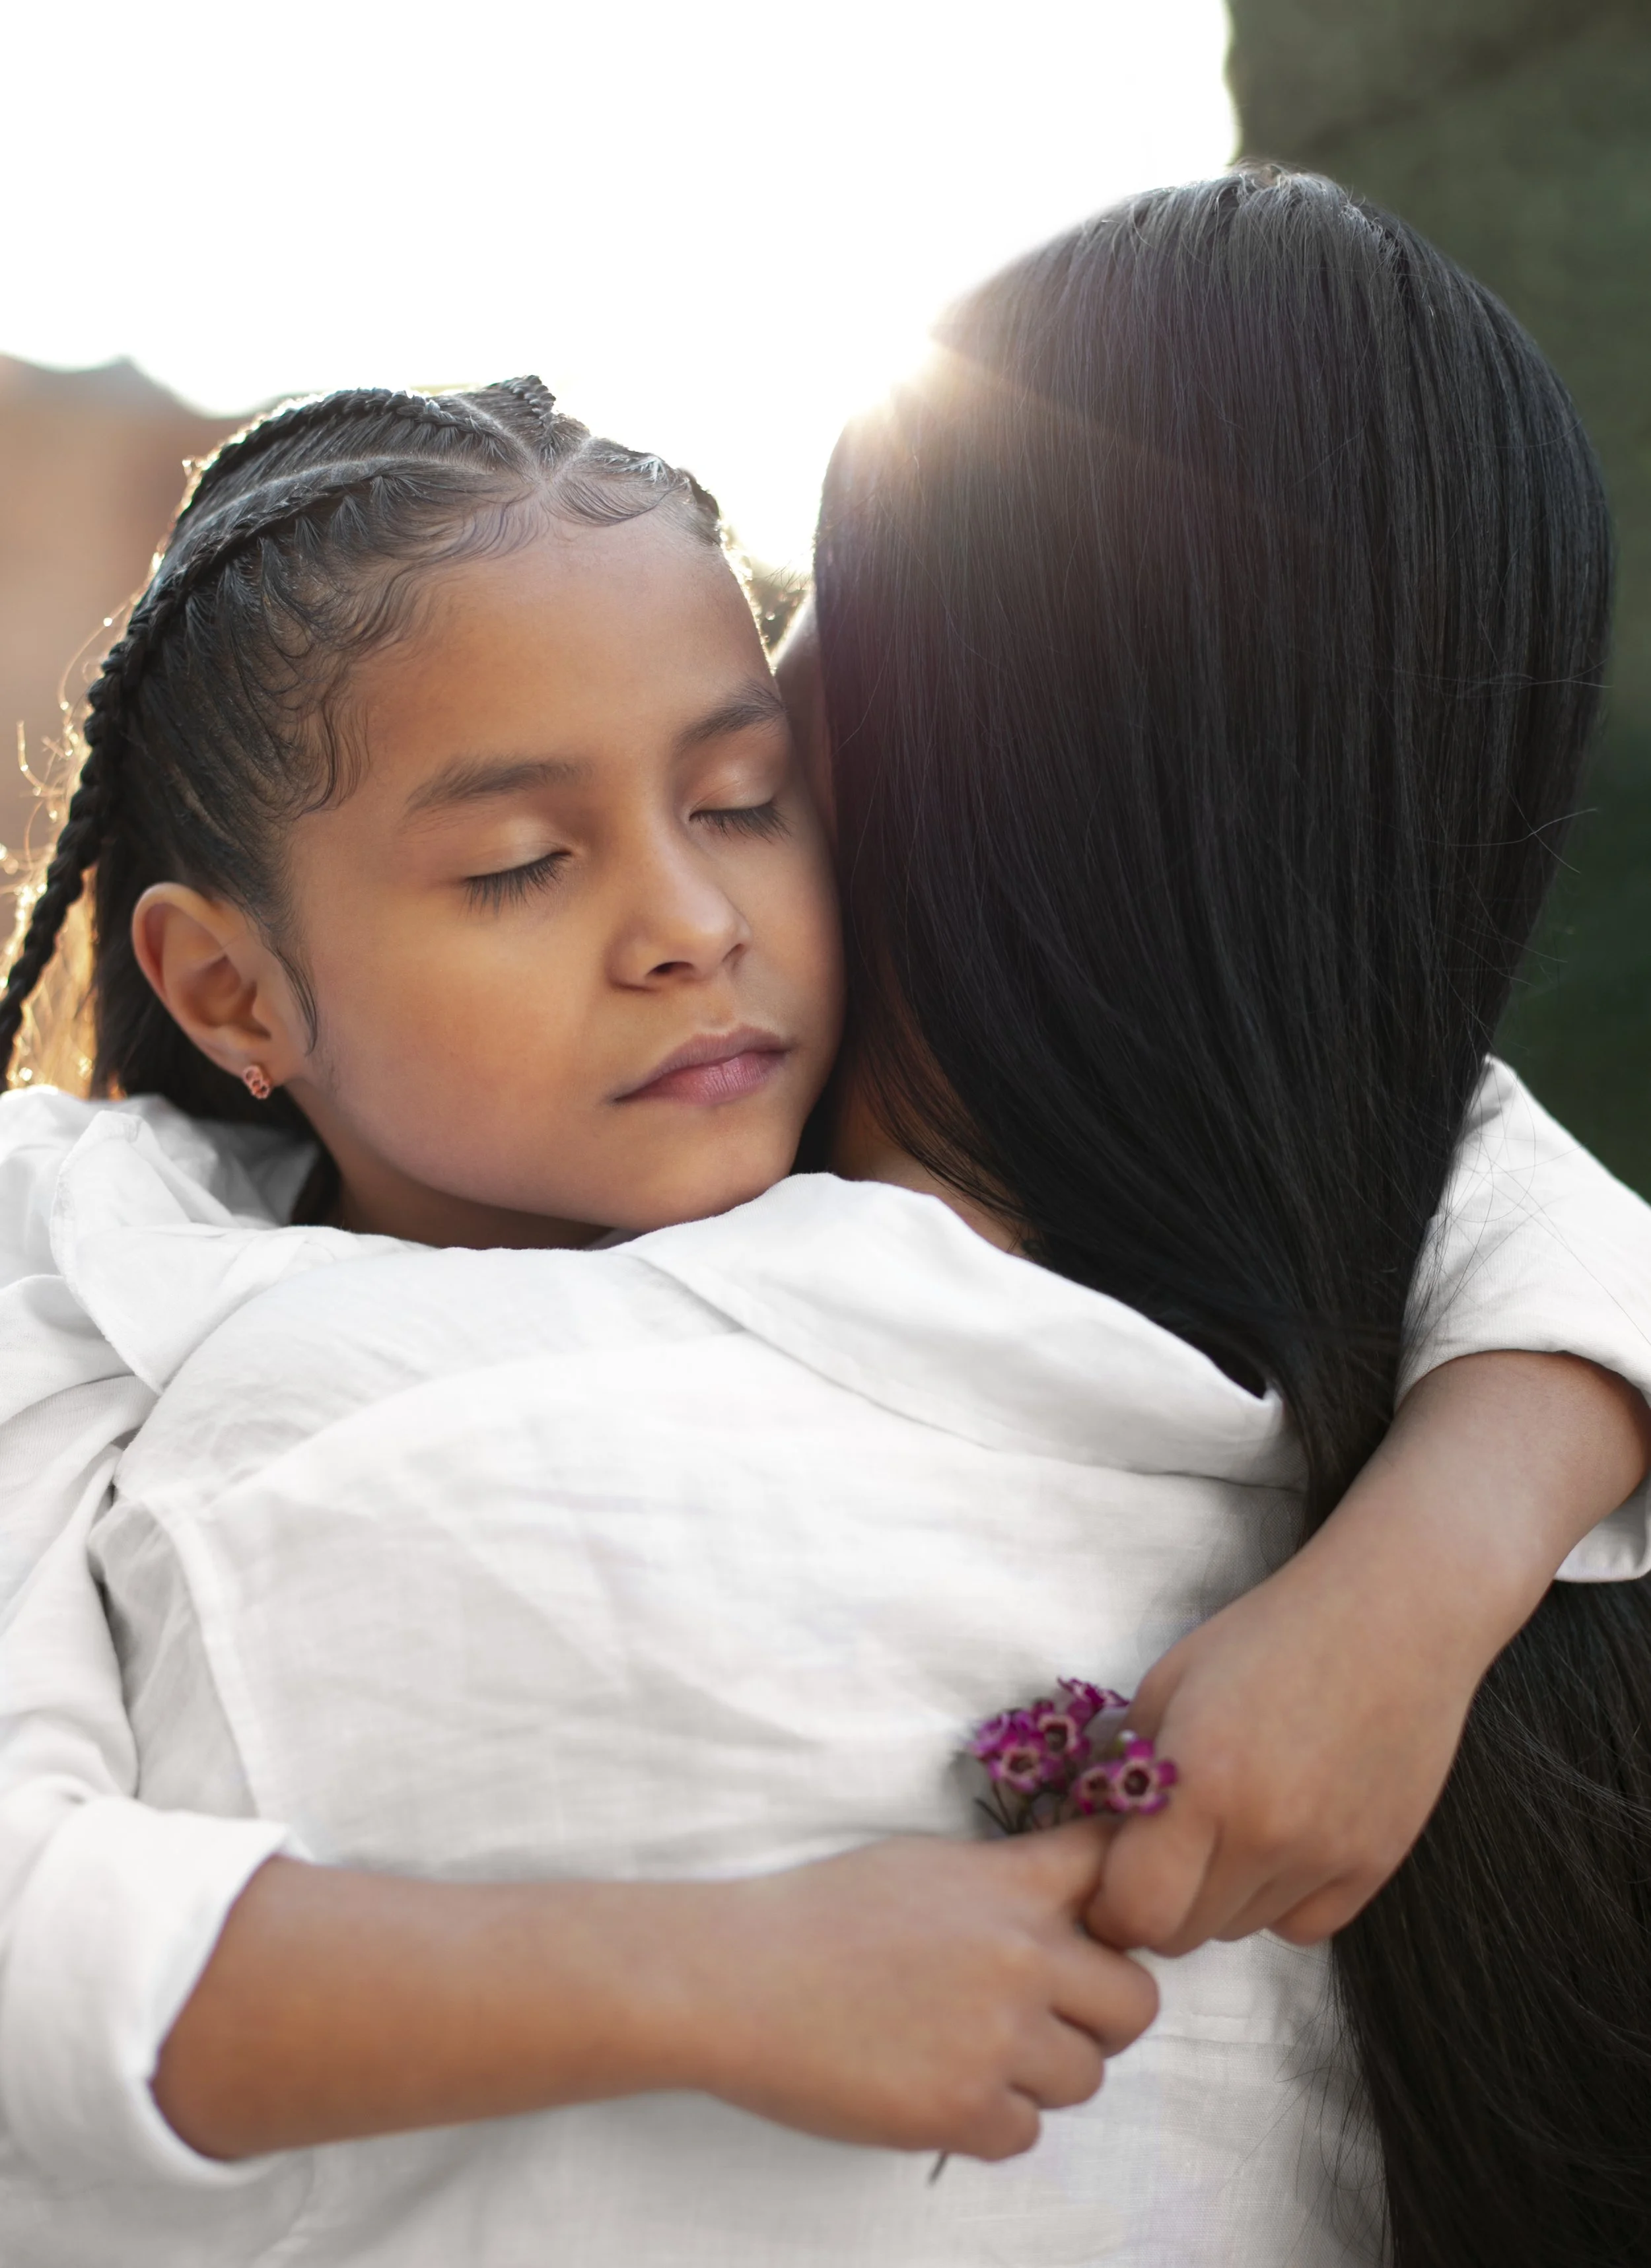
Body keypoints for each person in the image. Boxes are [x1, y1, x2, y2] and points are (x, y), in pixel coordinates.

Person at [1, 189, 1648, 2261]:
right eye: (517, 864)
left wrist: (1407, 1595)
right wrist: (712, 1975)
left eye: (739, 799)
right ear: (231, 989)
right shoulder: (92, 1248)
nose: (688, 926)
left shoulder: (1098, 1196)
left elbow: (1467, 1150)